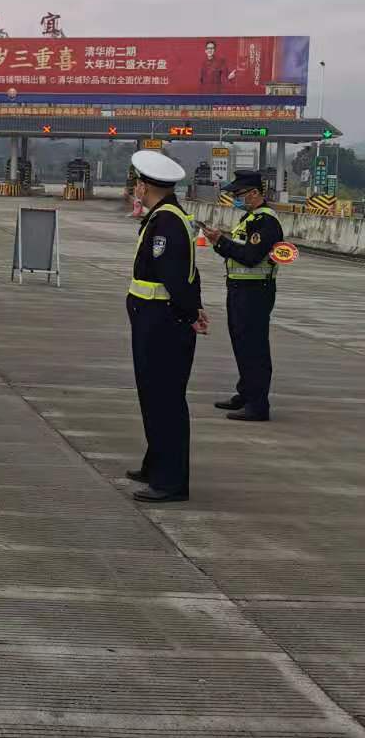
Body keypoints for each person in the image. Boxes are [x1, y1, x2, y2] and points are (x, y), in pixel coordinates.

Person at [126, 150, 209, 503]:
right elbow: (190, 272)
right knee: (153, 395)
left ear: (145, 187)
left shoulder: (167, 223)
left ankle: (171, 482)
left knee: (165, 400)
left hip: (163, 323)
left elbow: (174, 276)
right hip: (155, 320)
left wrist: (190, 314)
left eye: (136, 184)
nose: (135, 189)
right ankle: (155, 464)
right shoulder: (165, 217)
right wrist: (195, 307)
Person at [200, 170, 282, 422]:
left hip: (255, 292)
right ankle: (246, 394)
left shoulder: (265, 221)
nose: (236, 198)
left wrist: (222, 242)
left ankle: (258, 405)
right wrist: (219, 242)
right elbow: (238, 253)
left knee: (254, 347)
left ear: (255, 193)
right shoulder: (249, 218)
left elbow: (250, 256)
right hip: (240, 289)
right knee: (241, 344)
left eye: (239, 194)